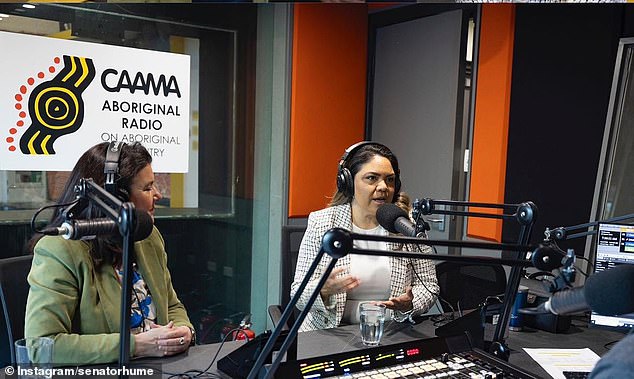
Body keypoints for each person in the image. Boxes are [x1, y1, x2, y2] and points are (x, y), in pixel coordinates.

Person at [24, 141, 194, 364]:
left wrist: (183, 330)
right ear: (115, 200)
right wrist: (137, 345)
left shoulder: (148, 237)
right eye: (147, 187)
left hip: (160, 368)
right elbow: (41, 346)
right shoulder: (60, 250)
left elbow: (172, 305)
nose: (158, 194)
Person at [291, 141, 439, 332]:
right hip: (330, 333)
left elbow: (428, 285)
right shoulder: (322, 223)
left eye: (390, 180)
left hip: (390, 333)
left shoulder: (407, 226)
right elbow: (297, 295)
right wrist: (323, 291)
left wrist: (409, 305)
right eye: (372, 178)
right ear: (348, 182)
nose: (383, 187)